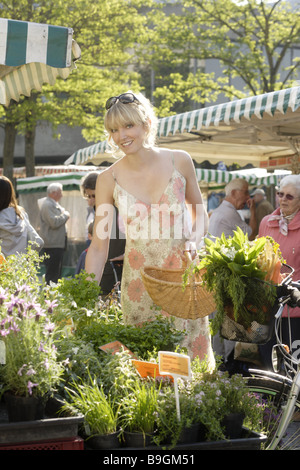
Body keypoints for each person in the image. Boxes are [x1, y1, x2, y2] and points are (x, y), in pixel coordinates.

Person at [85, 91, 214, 364]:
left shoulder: (179, 160)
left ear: (146, 124)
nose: (121, 136)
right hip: (138, 289)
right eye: (114, 130)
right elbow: (98, 247)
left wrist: (195, 239)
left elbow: (199, 212)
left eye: (128, 125)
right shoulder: (108, 179)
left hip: (182, 280)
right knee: (147, 371)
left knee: (191, 371)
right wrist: (84, 296)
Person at [207, 178, 256, 372]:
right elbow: (251, 235)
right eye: (245, 192)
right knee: (229, 323)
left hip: (218, 278)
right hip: (228, 279)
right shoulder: (228, 213)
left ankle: (220, 366)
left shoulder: (219, 211)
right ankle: (228, 366)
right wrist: (253, 212)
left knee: (218, 323)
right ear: (234, 193)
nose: (247, 197)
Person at [258, 174, 300, 368]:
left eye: (289, 196)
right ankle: (268, 399)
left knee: (292, 366)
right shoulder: (267, 222)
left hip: (294, 309)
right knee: (268, 364)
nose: (283, 199)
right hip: (267, 306)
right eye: (280, 194)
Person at [80, 171, 126, 295]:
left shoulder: (116, 207)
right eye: (88, 196)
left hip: (115, 266)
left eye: (94, 196)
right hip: (104, 266)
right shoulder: (99, 209)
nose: (91, 200)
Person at [0, 176, 44, 257]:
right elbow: (38, 242)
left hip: (3, 267)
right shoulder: (20, 213)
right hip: (21, 267)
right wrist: (26, 258)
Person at [38, 183, 70, 284]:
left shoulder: (52, 204)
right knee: (52, 274)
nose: (62, 195)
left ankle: (53, 296)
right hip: (52, 245)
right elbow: (54, 222)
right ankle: (49, 297)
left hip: (56, 244)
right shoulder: (48, 205)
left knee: (56, 273)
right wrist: (65, 215)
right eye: (60, 192)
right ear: (53, 193)